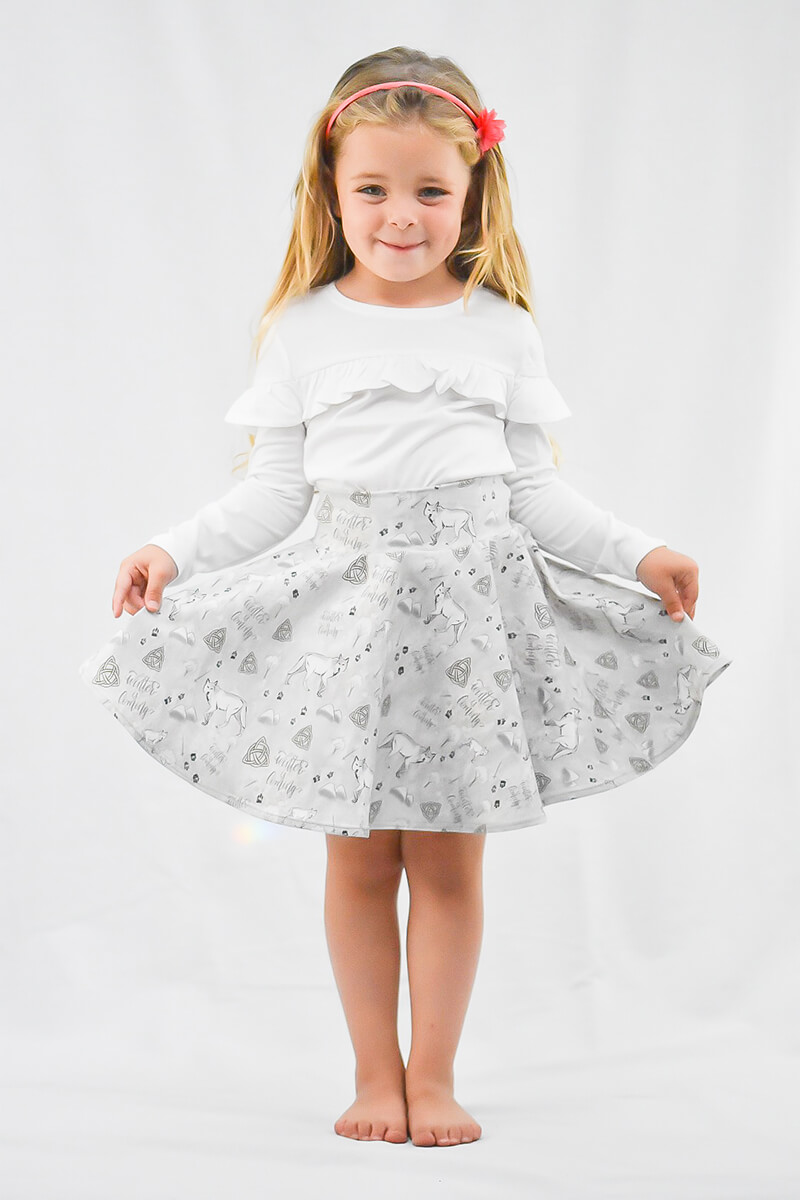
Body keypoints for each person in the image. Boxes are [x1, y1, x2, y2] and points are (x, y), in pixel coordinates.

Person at [78, 47, 733, 1148]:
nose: (400, 216)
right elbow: (275, 493)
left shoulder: (498, 327)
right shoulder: (302, 329)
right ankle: (371, 1074)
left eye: (430, 190)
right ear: (331, 191)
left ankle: (433, 1076)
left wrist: (638, 554)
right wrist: (171, 551)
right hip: (349, 625)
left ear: (472, 191)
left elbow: (533, 491)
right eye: (373, 189)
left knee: (447, 859)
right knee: (359, 858)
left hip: (469, 635)